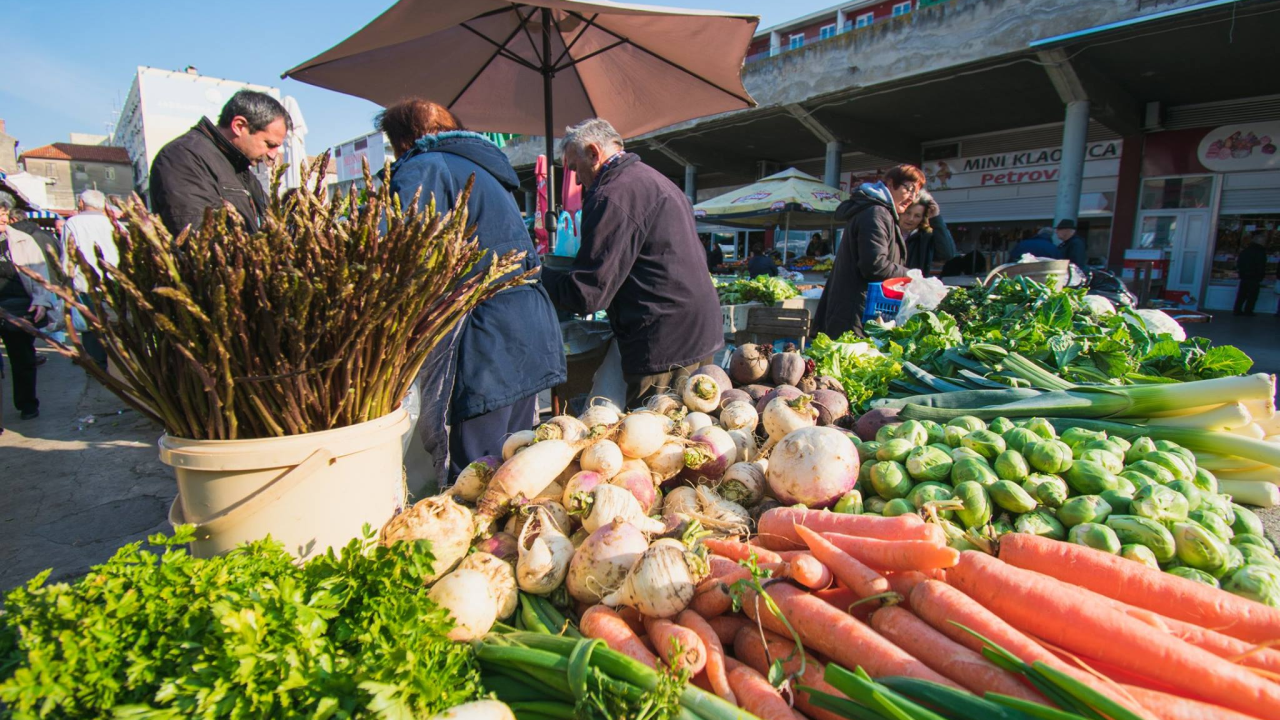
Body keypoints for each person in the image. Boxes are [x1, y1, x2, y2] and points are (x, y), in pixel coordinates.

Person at [377, 98, 566, 480]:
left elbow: (403, 258)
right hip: (526, 329)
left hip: (483, 339)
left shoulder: (424, 167)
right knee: (515, 465)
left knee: (474, 477)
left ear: (404, 141)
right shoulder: (487, 170)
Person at [542, 118, 723, 409]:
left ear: (594, 153)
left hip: (664, 340)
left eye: (575, 168)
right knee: (691, 424)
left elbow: (587, 295)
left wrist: (539, 276)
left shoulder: (611, 194)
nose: (576, 180)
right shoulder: (656, 180)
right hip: (700, 330)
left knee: (654, 430)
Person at [150, 90, 291, 236]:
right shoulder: (183, 157)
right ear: (239, 126)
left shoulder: (241, 168)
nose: (273, 154)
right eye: (270, 144)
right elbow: (200, 238)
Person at [813, 164, 924, 337]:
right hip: (854, 313)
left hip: (859, 310)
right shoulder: (876, 213)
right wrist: (910, 275)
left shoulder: (881, 213)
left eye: (916, 193)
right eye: (909, 189)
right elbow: (874, 265)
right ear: (891, 183)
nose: (912, 197)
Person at [0, 191, 53, 420]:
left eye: (5, 213)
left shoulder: (22, 240)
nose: (3, 218)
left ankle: (27, 404)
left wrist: (41, 300)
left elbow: (40, 273)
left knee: (22, 357)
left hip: (20, 306)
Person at [62, 189, 119, 370]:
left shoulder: (73, 223)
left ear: (81, 203)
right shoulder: (113, 223)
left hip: (86, 282)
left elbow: (67, 255)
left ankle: (99, 365)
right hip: (115, 280)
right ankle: (117, 362)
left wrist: (67, 280)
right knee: (115, 322)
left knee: (92, 324)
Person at [900, 191, 956, 276]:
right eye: (907, 213)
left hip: (915, 283)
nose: (911, 219)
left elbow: (947, 254)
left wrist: (936, 219)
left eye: (917, 216)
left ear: (923, 218)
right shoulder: (888, 231)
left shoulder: (925, 237)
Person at [1234, 232, 1268, 317]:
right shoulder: (1260, 252)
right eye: (1264, 241)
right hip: (1254, 276)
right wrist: (1260, 276)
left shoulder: (1245, 251)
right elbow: (1261, 265)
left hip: (1244, 276)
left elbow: (1239, 263)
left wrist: (1241, 272)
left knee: (1242, 294)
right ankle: (1248, 310)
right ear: (1261, 241)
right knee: (1252, 295)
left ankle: (1237, 309)